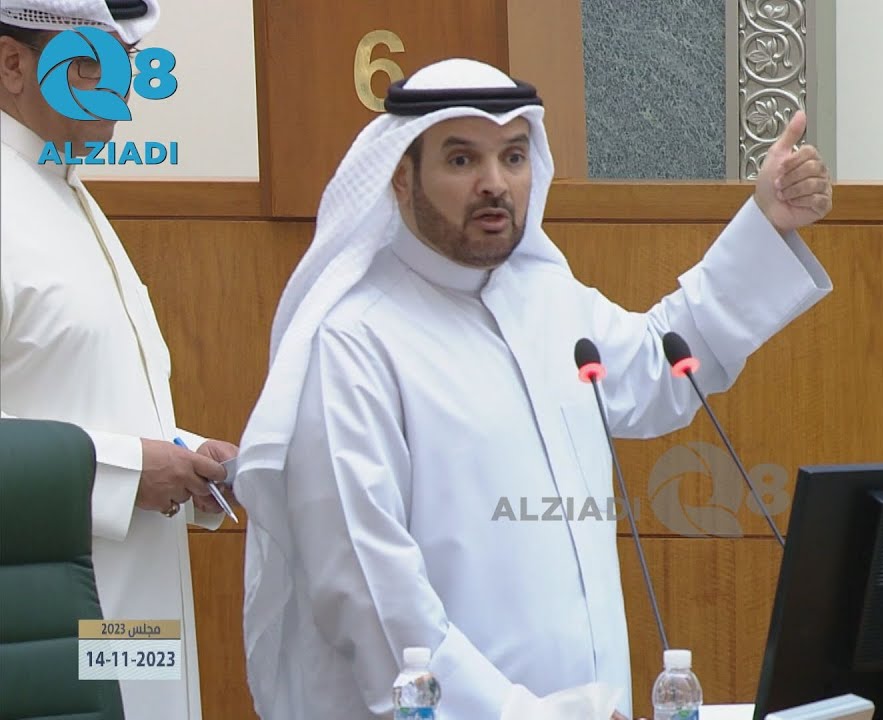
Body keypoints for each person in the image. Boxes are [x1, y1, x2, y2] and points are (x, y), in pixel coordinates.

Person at [235, 58, 834, 720]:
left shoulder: (547, 297)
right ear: (401, 177)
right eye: (461, 160)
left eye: (514, 157)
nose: (495, 183)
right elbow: (374, 598)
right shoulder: (354, 343)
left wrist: (767, 221)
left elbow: (661, 366)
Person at [0, 2, 239, 718]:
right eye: (87, 64)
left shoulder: (61, 190)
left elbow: (75, 396)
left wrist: (184, 457)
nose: (115, 87)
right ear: (12, 65)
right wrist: (130, 471)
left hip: (125, 620)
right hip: (37, 639)